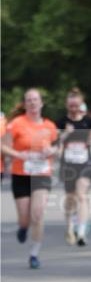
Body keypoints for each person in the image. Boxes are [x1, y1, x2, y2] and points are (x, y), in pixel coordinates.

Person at [1, 89, 59, 269]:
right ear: (25, 104)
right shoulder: (16, 124)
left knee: (38, 213)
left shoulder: (50, 126)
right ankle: (23, 227)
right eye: (29, 100)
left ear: (41, 103)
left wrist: (52, 151)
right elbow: (4, 147)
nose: (33, 103)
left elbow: (57, 147)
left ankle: (34, 253)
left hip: (41, 174)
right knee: (25, 218)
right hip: (21, 175)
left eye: (35, 100)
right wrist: (19, 154)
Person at [56, 87, 91, 246]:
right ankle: (69, 225)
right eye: (71, 106)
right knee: (70, 197)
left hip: (85, 164)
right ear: (67, 106)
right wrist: (65, 134)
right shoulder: (61, 121)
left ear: (81, 104)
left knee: (82, 196)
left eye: (76, 105)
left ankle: (81, 232)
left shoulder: (88, 121)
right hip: (68, 165)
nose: (73, 109)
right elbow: (56, 144)